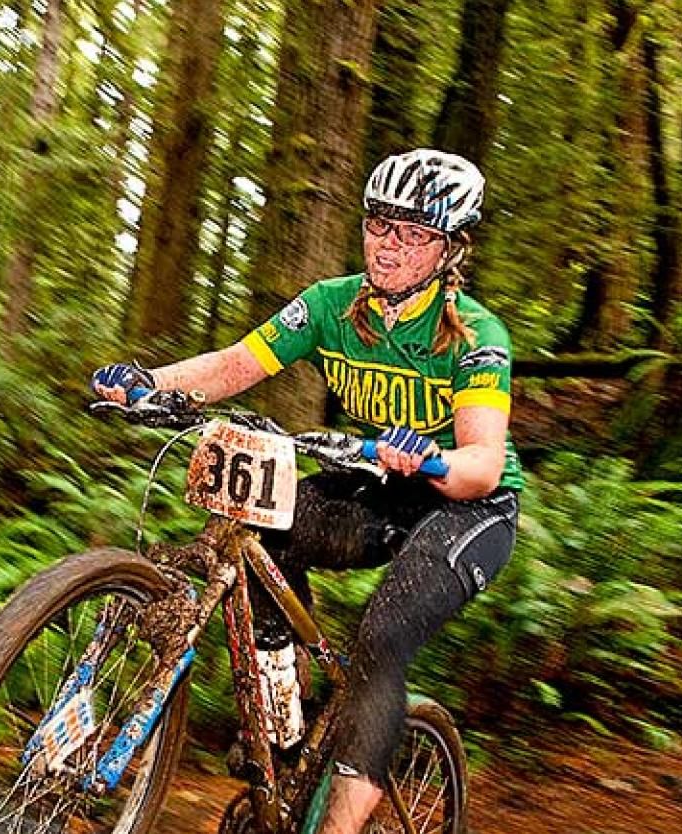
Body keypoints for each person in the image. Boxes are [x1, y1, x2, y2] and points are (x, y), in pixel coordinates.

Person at [91, 148, 524, 833]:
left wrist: (429, 458)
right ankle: (284, 744)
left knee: (382, 637)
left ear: (449, 249)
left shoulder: (476, 334)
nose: (389, 245)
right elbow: (236, 364)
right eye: (380, 224)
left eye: (414, 234)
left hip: (465, 507)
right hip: (380, 484)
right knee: (264, 535)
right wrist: (151, 384)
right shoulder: (329, 305)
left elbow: (481, 465)